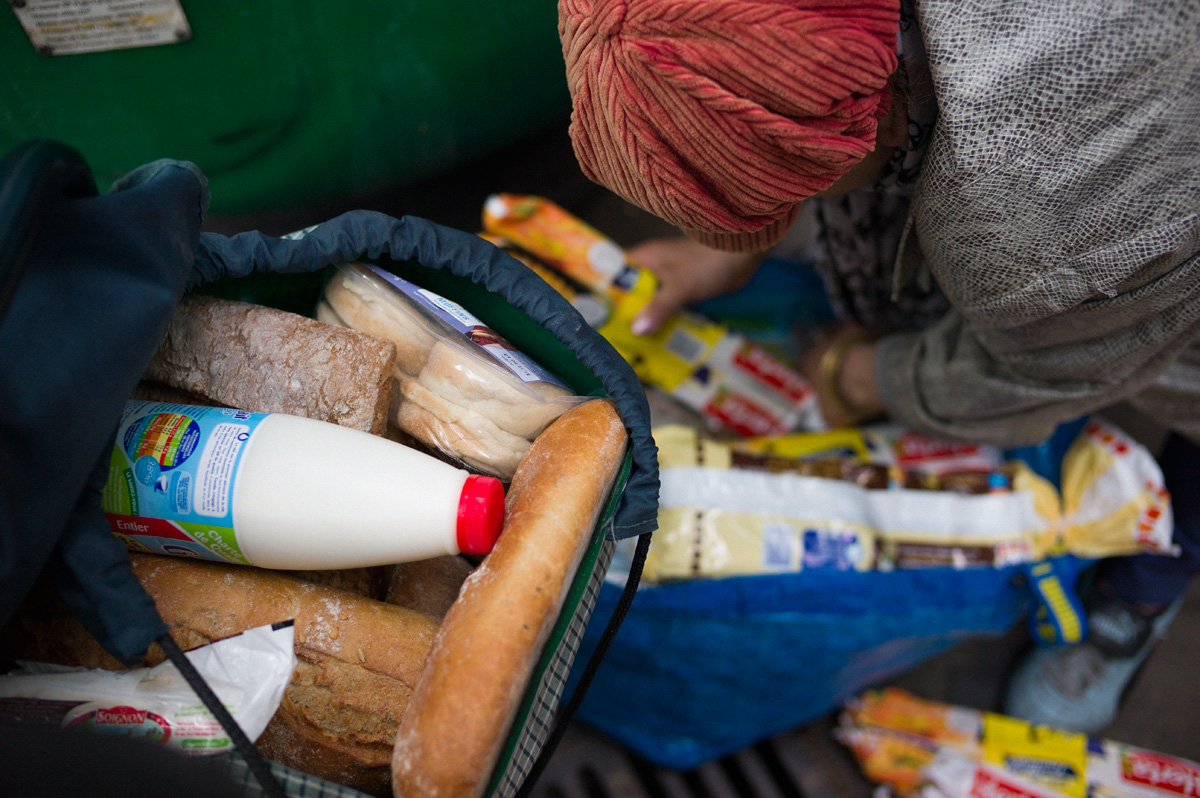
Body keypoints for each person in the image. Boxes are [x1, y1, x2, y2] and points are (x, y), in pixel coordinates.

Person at [557, 0, 1200, 733]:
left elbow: (1052, 373)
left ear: (875, 123)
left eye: (794, 191)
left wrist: (860, 378)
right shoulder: (877, 50)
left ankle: (1145, 587)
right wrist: (731, 239)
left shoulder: (1035, 226)